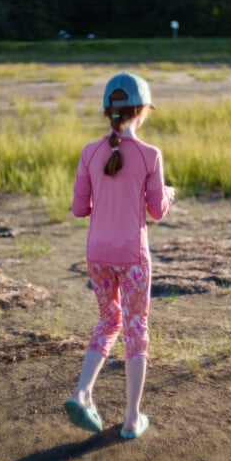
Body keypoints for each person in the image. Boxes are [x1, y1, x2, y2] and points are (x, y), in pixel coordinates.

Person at [65, 72, 175, 440]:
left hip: (97, 255)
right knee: (135, 329)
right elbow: (157, 211)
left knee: (108, 322)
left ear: (106, 112)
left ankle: (83, 393)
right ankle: (131, 418)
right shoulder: (150, 155)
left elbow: (80, 209)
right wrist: (169, 196)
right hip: (132, 258)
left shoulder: (89, 152)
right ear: (141, 111)